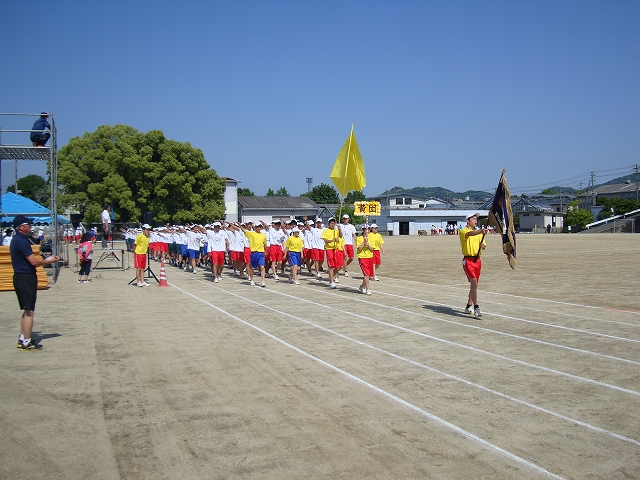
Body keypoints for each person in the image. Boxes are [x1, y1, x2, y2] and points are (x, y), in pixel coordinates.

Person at [10, 215, 60, 350]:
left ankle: (23, 337)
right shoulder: (21, 240)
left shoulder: (17, 239)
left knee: (26, 309)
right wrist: (49, 261)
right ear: (21, 227)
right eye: (28, 224)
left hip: (21, 277)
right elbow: (33, 262)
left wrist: (47, 259)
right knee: (29, 311)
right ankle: (26, 341)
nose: (30, 226)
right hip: (25, 277)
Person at [459, 213, 488, 318]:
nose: (475, 221)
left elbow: (484, 245)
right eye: (473, 219)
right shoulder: (463, 231)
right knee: (474, 282)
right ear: (468, 221)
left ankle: (468, 306)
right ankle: (476, 307)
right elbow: (470, 234)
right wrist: (480, 231)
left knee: (474, 285)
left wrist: (482, 246)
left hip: (477, 260)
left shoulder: (479, 233)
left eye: (476, 219)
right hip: (468, 260)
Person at [241, 221, 267, 287]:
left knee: (262, 267)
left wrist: (265, 251)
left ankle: (263, 281)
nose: (259, 228)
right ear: (255, 227)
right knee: (252, 268)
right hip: (254, 253)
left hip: (261, 253)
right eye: (258, 227)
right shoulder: (251, 233)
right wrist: (240, 226)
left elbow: (265, 244)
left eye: (260, 227)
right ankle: (251, 279)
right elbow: (244, 231)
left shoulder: (263, 235)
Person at [322, 217, 343, 289]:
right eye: (331, 223)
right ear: (328, 224)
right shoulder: (325, 231)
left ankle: (331, 277)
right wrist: (332, 240)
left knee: (338, 266)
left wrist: (339, 229)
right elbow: (325, 240)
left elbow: (341, 236)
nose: (332, 225)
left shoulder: (336, 230)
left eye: (333, 223)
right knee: (332, 266)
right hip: (329, 249)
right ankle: (331, 281)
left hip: (336, 249)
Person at [356, 224, 374, 295]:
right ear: (363, 230)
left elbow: (372, 249)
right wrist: (364, 241)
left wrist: (368, 244)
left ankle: (362, 286)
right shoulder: (359, 238)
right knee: (366, 274)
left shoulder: (371, 238)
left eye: (368, 229)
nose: (367, 231)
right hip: (362, 257)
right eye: (365, 229)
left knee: (368, 275)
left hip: (370, 257)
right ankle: (367, 289)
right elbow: (359, 249)